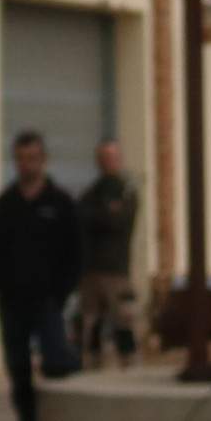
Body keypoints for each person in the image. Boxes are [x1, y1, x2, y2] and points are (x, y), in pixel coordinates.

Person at [0, 130, 86, 421]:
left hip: (47, 302)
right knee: (19, 375)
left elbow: (77, 252)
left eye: (34, 158)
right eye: (22, 158)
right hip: (11, 303)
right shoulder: (5, 204)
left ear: (44, 160)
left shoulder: (61, 202)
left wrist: (61, 292)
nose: (28, 164)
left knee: (56, 367)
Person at [75, 141, 140, 364]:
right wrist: (104, 214)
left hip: (117, 270)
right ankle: (92, 363)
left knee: (124, 322)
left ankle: (128, 364)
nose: (107, 162)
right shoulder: (91, 193)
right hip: (91, 270)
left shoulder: (126, 191)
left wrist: (102, 216)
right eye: (103, 157)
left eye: (112, 157)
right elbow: (81, 218)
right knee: (91, 324)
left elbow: (118, 222)